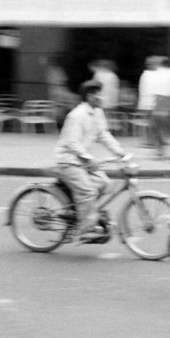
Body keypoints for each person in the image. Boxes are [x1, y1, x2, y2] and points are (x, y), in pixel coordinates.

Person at [54, 80, 128, 241]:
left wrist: (121, 153)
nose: (103, 97)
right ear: (90, 96)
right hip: (68, 161)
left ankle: (82, 211)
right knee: (88, 191)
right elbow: (71, 143)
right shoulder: (77, 115)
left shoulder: (97, 113)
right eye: (99, 94)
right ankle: (85, 229)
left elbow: (104, 135)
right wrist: (89, 159)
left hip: (82, 161)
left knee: (105, 183)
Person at [152, 56, 170, 158]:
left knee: (156, 127)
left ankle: (160, 150)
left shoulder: (157, 73)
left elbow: (152, 88)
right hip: (169, 101)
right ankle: (162, 149)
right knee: (165, 126)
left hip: (158, 100)